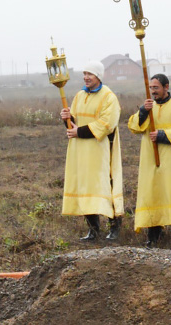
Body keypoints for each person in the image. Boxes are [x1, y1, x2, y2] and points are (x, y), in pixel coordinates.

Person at [128, 74, 171, 247]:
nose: (153, 91)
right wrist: (143, 111)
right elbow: (134, 126)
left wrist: (162, 135)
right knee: (153, 192)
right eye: (151, 88)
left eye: (156, 88)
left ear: (166, 87)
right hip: (151, 158)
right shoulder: (148, 107)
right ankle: (154, 232)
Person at [60, 61, 124, 241]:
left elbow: (107, 124)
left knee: (105, 184)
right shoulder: (80, 95)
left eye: (90, 74)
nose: (86, 77)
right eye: (85, 73)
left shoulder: (108, 97)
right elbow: (73, 122)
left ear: (99, 76)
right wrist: (66, 118)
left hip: (100, 151)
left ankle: (114, 227)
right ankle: (93, 229)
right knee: (85, 186)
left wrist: (79, 131)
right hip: (81, 151)